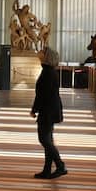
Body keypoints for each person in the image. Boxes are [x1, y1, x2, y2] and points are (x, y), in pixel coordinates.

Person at [31, 46, 66, 179]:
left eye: (42, 51)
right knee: (48, 139)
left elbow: (42, 95)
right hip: (50, 109)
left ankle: (60, 165)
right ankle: (47, 170)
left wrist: (34, 109)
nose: (39, 52)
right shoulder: (48, 71)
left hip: (48, 110)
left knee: (44, 139)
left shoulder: (48, 73)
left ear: (46, 56)